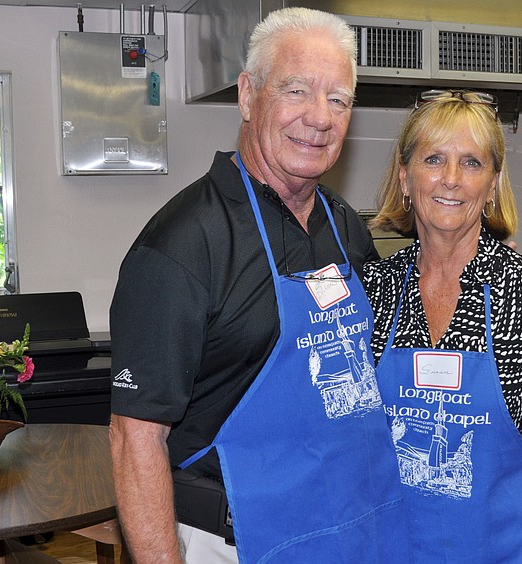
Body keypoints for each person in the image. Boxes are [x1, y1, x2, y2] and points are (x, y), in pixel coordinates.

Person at [108, 8, 407, 563]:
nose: (320, 118)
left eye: (339, 100)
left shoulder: (344, 226)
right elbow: (135, 440)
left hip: (347, 529)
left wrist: (491, 267)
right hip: (235, 540)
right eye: (296, 91)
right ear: (248, 96)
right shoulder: (181, 245)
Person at [364, 89, 522, 563]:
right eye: (433, 159)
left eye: (471, 163)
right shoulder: (375, 289)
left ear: (493, 185)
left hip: (509, 550)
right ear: (405, 178)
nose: (450, 180)